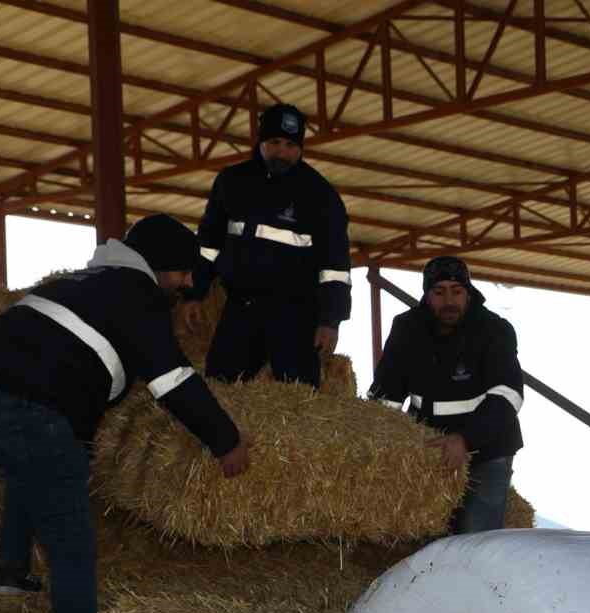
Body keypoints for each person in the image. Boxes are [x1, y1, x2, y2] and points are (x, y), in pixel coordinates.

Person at [0, 214, 252, 613]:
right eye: (183, 271)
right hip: (25, 409)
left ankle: (9, 575)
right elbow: (172, 380)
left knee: (33, 462)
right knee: (72, 545)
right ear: (158, 265)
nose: (187, 283)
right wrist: (225, 441)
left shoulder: (83, 282)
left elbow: (67, 378)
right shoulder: (138, 295)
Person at [186, 102, 352, 388]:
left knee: (299, 395)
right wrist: (194, 293)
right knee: (220, 386)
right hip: (241, 306)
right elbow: (208, 244)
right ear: (260, 141)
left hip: (296, 314)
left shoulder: (321, 196)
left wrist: (331, 320)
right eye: (274, 142)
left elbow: (335, 266)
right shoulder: (232, 182)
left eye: (290, 144)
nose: (282, 152)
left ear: (300, 148)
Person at [366, 256, 523, 533]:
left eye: (457, 291)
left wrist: (465, 439)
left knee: (474, 538)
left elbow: (508, 394)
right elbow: (386, 393)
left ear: (468, 292)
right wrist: (378, 444)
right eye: (439, 292)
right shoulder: (407, 327)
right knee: (419, 537)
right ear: (426, 295)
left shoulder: (496, 330)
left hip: (487, 449)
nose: (449, 301)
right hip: (428, 448)